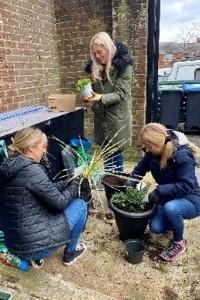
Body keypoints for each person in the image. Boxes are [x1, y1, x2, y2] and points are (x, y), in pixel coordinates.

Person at [0, 127, 88, 268]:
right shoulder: (32, 171)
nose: (44, 151)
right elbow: (59, 203)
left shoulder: (9, 166)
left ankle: (36, 258)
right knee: (80, 205)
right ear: (31, 148)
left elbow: (46, 189)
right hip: (33, 247)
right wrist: (76, 185)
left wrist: (67, 182)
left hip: (14, 243)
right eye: (43, 147)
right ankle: (70, 252)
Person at [130, 123, 200, 262]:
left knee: (172, 208)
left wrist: (159, 191)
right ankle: (174, 219)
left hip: (190, 197)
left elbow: (186, 185)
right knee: (155, 228)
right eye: (145, 146)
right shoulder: (151, 153)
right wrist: (130, 183)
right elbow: (139, 170)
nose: (147, 150)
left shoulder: (181, 155)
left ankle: (179, 243)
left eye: (149, 146)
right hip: (169, 196)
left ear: (158, 143)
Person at [84, 31, 133, 173]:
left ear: (108, 48)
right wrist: (89, 97)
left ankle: (116, 192)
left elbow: (120, 94)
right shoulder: (95, 69)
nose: (97, 57)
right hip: (101, 120)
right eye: (94, 54)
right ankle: (109, 189)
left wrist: (100, 98)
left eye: (100, 52)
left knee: (116, 163)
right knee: (106, 161)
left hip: (116, 121)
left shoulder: (124, 67)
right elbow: (95, 92)